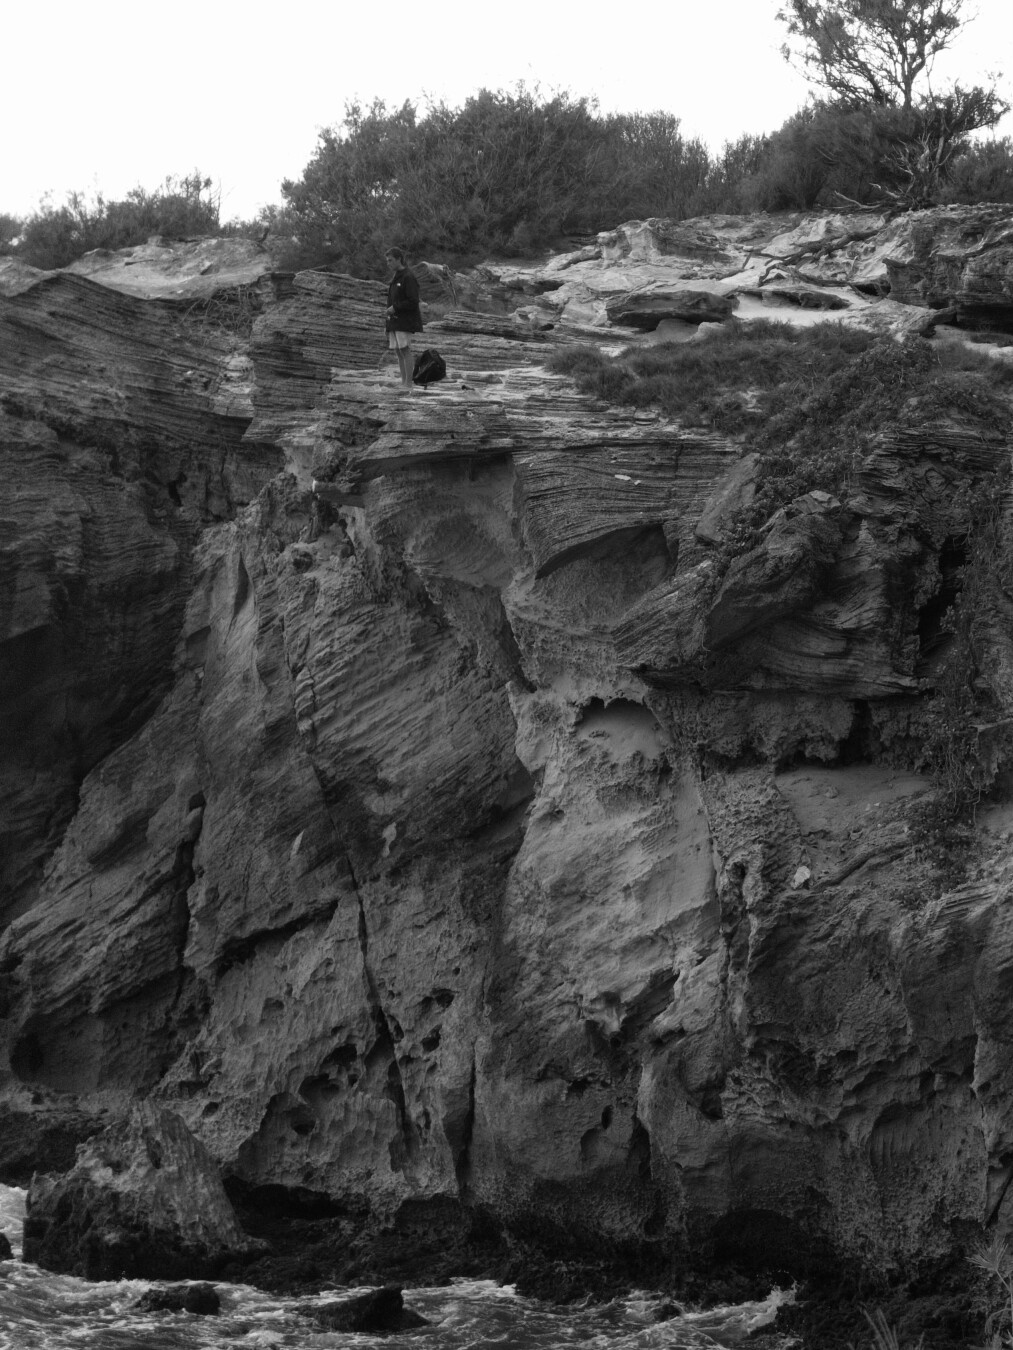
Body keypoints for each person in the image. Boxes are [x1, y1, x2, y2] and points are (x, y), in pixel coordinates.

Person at [383, 247, 423, 390]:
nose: (388, 263)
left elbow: (413, 301)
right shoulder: (395, 277)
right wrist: (388, 324)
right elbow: (391, 302)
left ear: (399, 259)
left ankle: (408, 384)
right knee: (398, 351)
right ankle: (403, 382)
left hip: (405, 321)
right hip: (394, 321)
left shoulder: (408, 276)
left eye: (391, 260)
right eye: (387, 261)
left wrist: (396, 307)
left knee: (405, 350)